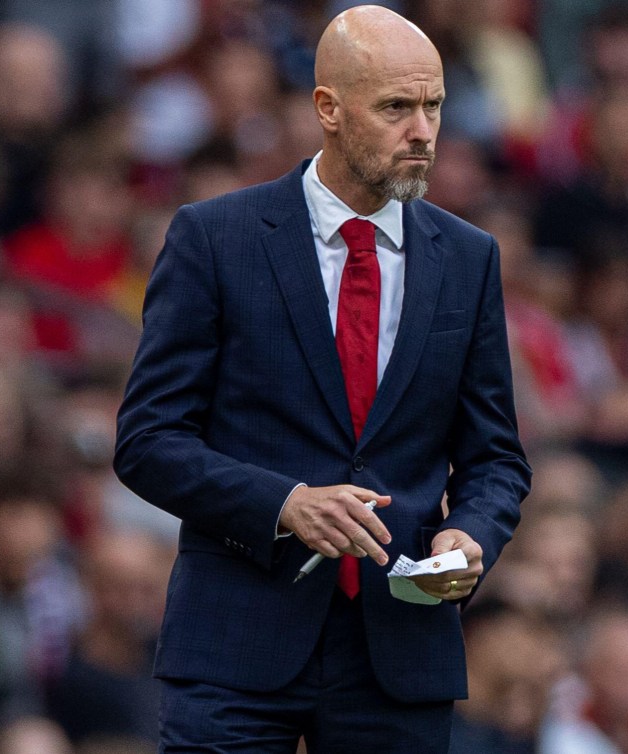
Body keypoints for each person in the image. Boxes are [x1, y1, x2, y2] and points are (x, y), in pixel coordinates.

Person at [114, 5, 531, 752]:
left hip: (399, 648)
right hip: (235, 643)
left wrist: (472, 533)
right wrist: (284, 504)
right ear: (328, 109)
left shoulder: (470, 259)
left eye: (432, 106)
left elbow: (495, 458)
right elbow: (148, 440)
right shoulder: (215, 238)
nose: (424, 131)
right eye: (396, 107)